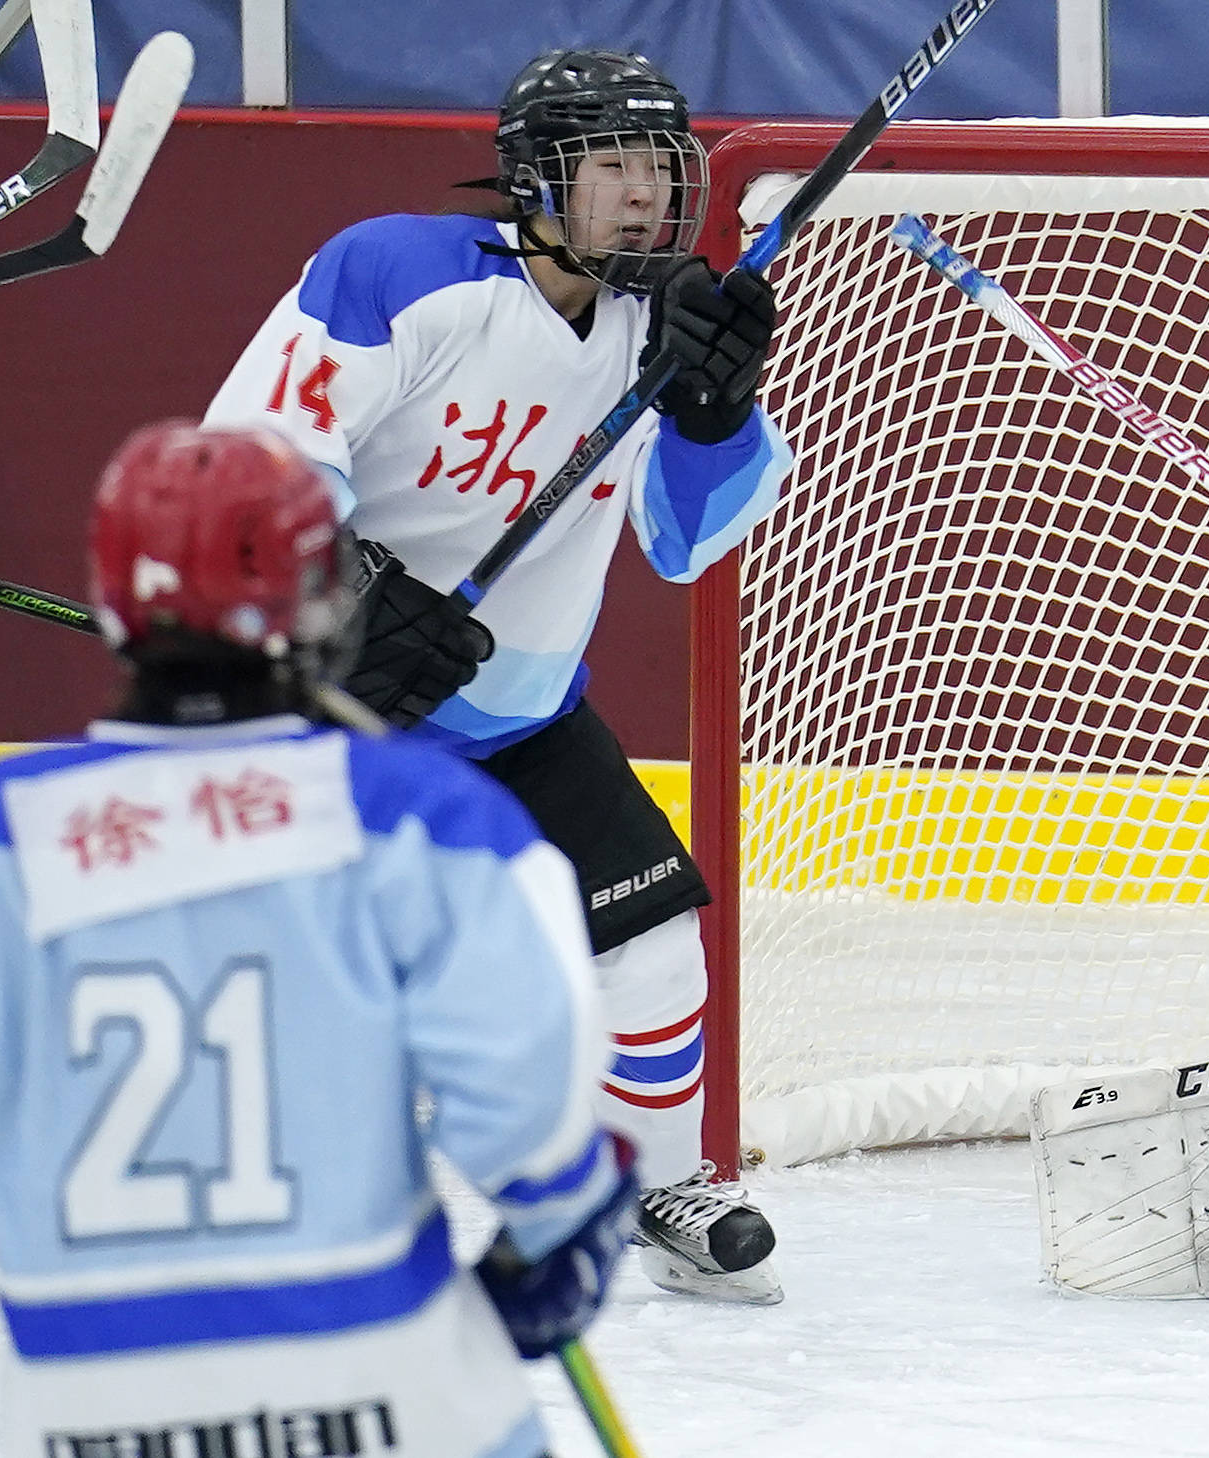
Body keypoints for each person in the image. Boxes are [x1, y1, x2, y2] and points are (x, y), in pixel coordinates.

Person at [0, 422, 637, 1458]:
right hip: (391, 1396)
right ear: (322, 600)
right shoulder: (422, 816)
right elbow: (527, 1086)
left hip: (87, 1418)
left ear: (111, 600)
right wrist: (560, 1232)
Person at [204, 48, 790, 1303]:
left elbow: (691, 544)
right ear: (535, 177)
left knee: (653, 949)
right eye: (613, 164)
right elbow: (251, 456)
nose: (645, 195)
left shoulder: (660, 322)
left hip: (524, 720)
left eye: (660, 166)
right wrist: (342, 593)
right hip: (346, 709)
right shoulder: (397, 271)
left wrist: (713, 409)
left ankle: (655, 1180)